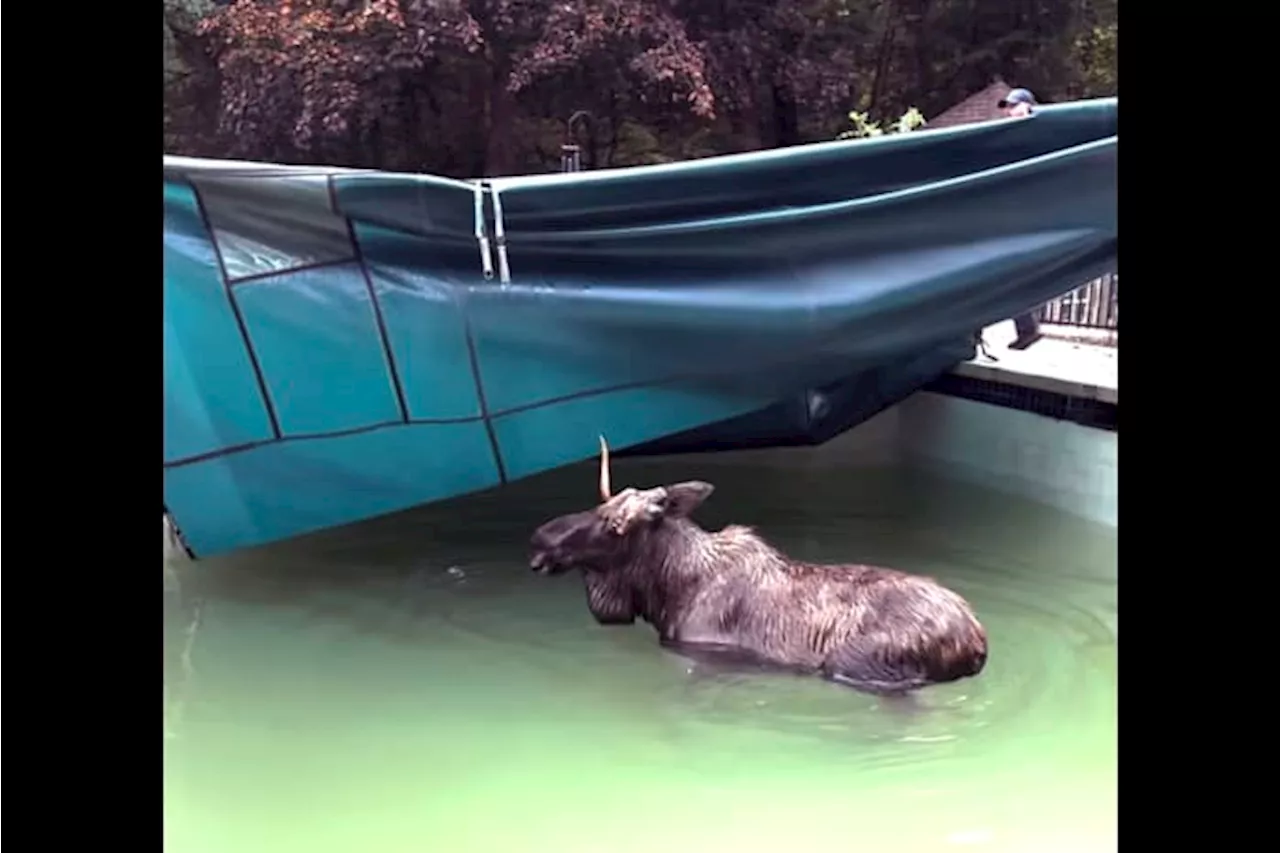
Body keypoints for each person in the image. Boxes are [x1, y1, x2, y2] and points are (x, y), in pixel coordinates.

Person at [997, 86, 1043, 350]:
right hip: (1012, 216)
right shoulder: (1009, 136)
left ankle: (1027, 327)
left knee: (1010, 272)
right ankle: (1026, 328)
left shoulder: (1037, 129)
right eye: (1009, 108)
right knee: (1006, 274)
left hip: (1028, 217)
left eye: (1015, 106)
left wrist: (1028, 116)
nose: (1010, 112)